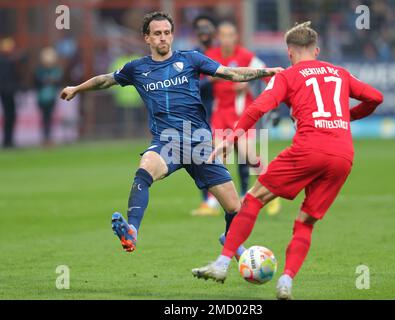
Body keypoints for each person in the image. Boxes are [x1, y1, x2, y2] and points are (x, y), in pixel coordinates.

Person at [60, 12, 283, 254]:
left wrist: (265, 72)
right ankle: (132, 231)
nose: (163, 38)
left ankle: (231, 242)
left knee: (234, 207)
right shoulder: (137, 68)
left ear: (172, 35)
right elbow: (105, 80)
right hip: (167, 142)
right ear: (147, 38)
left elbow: (230, 73)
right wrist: (77, 88)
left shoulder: (191, 59)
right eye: (157, 34)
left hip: (199, 143)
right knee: (144, 170)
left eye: (167, 33)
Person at [192, 21, 383, 300]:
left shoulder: (288, 75)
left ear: (290, 53)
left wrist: (231, 139)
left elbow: (259, 107)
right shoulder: (339, 73)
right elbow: (375, 97)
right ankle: (286, 282)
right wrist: (345, 117)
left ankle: (221, 264)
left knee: (253, 199)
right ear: (316, 50)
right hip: (343, 156)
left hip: (309, 148)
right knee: (305, 222)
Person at [205, 21, 282, 216]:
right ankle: (214, 201)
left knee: (249, 156)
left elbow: (268, 74)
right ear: (218, 38)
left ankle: (272, 194)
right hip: (220, 113)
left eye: (230, 35)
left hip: (242, 113)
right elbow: (204, 76)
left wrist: (248, 80)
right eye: (223, 35)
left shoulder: (244, 55)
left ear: (235, 37)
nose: (227, 39)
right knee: (217, 157)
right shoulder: (212, 55)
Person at [190, 14, 220, 217]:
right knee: (201, 154)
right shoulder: (192, 55)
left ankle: (243, 194)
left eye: (207, 28)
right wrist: (209, 82)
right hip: (202, 109)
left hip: (223, 109)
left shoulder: (220, 53)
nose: (204, 32)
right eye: (200, 28)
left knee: (244, 152)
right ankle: (207, 201)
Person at [34, 47, 63, 146]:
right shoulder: (40, 70)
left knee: (49, 118)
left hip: (51, 98)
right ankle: (45, 138)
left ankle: (48, 138)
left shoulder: (55, 70)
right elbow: (37, 81)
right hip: (42, 98)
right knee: (45, 118)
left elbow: (58, 80)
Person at [0, 37, 20, 148]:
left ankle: (9, 140)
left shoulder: (8, 60)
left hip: (8, 91)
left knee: (10, 116)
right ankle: (8, 141)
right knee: (9, 116)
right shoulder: (5, 61)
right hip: (6, 92)